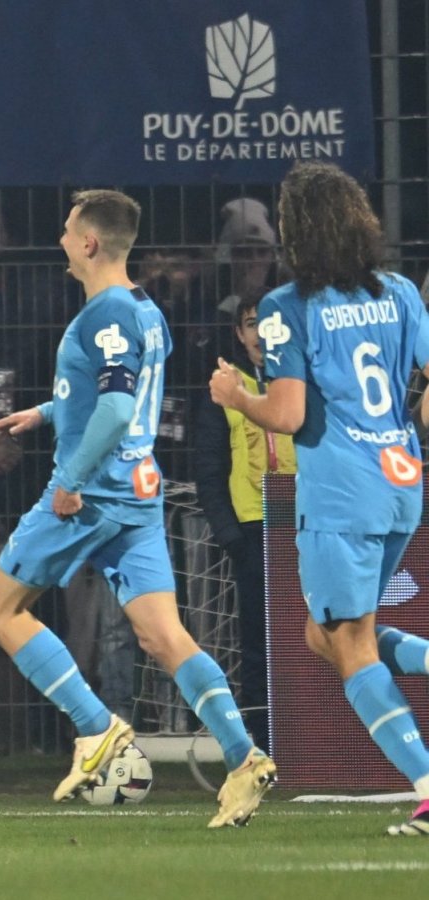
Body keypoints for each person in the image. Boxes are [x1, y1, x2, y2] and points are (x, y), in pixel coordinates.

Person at [0, 189, 276, 828]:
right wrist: (48, 412)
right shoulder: (144, 308)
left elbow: (115, 409)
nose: (61, 240)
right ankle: (243, 757)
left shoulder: (105, 312)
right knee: (164, 636)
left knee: (0, 611)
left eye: (67, 230)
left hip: (93, 494)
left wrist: (70, 478)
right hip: (139, 493)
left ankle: (97, 729)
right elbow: (120, 396)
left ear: (89, 242)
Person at [210, 161, 429, 837]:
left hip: (339, 493)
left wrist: (237, 396)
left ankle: (428, 786)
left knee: (349, 643)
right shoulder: (400, 292)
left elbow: (288, 413)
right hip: (401, 481)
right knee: (322, 634)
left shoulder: (287, 307)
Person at [194, 295, 297, 750]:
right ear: (239, 333)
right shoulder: (224, 387)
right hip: (253, 530)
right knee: (259, 643)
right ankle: (266, 744)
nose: (262, 333)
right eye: (253, 324)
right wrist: (231, 536)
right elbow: (208, 468)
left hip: (306, 524)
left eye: (271, 323)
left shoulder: (302, 379)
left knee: (315, 635)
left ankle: (316, 739)